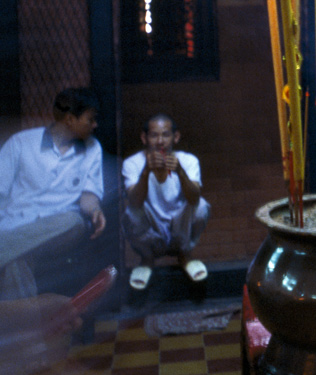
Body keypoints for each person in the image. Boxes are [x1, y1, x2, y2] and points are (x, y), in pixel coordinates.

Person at [0, 88, 107, 301]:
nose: (95, 125)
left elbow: (88, 195)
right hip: (16, 225)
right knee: (16, 262)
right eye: (90, 119)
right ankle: (29, 331)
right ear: (69, 119)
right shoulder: (21, 143)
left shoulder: (92, 148)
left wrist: (95, 210)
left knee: (73, 220)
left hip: (60, 228)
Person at [122, 114, 210, 290]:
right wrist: (146, 171)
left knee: (201, 206)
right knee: (131, 212)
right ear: (144, 138)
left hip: (179, 225)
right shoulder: (132, 163)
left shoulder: (188, 160)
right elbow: (135, 202)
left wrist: (180, 171)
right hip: (152, 226)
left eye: (166, 135)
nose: (160, 141)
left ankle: (185, 255)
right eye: (154, 135)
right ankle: (147, 259)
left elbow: (194, 198)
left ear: (175, 137)